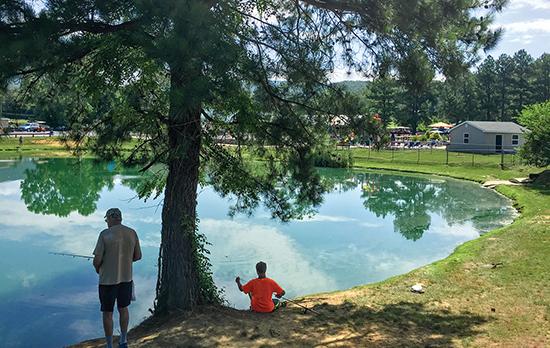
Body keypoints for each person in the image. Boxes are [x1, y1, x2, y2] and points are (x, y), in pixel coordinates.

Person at [93, 208, 142, 348]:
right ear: (120, 218)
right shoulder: (132, 233)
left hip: (107, 281)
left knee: (107, 313)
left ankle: (109, 345)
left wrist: (98, 268)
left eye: (106, 220)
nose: (106, 222)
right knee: (123, 309)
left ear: (109, 218)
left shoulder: (104, 234)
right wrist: (125, 260)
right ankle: (123, 341)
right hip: (126, 279)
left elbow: (97, 260)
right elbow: (138, 256)